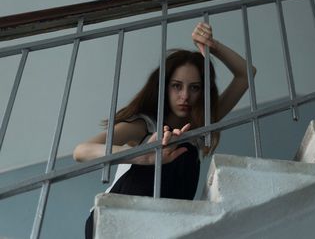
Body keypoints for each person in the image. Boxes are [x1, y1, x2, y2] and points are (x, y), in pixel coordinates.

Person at [73, 22, 256, 238]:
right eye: (177, 86)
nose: (185, 96)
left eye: (194, 87)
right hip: (111, 219)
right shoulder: (144, 124)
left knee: (184, 147)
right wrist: (138, 156)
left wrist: (212, 46)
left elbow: (246, 75)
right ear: (164, 87)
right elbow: (81, 151)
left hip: (160, 223)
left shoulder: (199, 129)